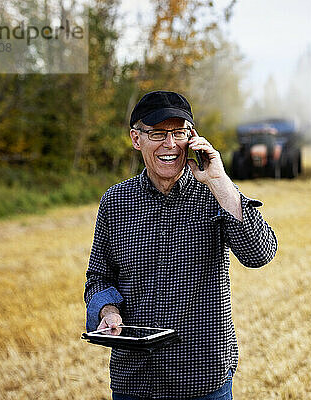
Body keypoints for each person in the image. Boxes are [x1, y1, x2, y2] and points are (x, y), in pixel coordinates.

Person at [84, 91, 277, 399]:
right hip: (135, 380)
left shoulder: (216, 193)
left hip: (203, 379)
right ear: (136, 139)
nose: (170, 144)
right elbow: (99, 277)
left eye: (179, 132)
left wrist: (219, 180)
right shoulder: (115, 202)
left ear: (192, 137)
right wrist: (107, 311)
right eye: (158, 133)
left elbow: (260, 254)